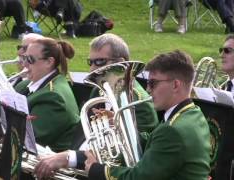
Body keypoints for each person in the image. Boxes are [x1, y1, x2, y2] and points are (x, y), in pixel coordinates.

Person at [33, 33, 159, 179]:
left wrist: (70, 158)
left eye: (99, 62)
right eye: (90, 62)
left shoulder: (138, 102)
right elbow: (81, 139)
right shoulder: (97, 91)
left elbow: (133, 158)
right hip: (79, 171)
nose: (92, 69)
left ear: (121, 62)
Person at [84, 50, 211, 180]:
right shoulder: (194, 114)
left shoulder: (173, 130)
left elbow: (139, 177)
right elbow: (158, 147)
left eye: (153, 83)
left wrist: (97, 170)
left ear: (175, 85)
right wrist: (121, 128)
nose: (148, 89)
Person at [14, 37, 80, 152]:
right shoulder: (26, 84)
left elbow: (28, 139)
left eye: (30, 59)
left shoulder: (54, 97)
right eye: (24, 58)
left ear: (49, 62)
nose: (24, 64)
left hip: (49, 164)